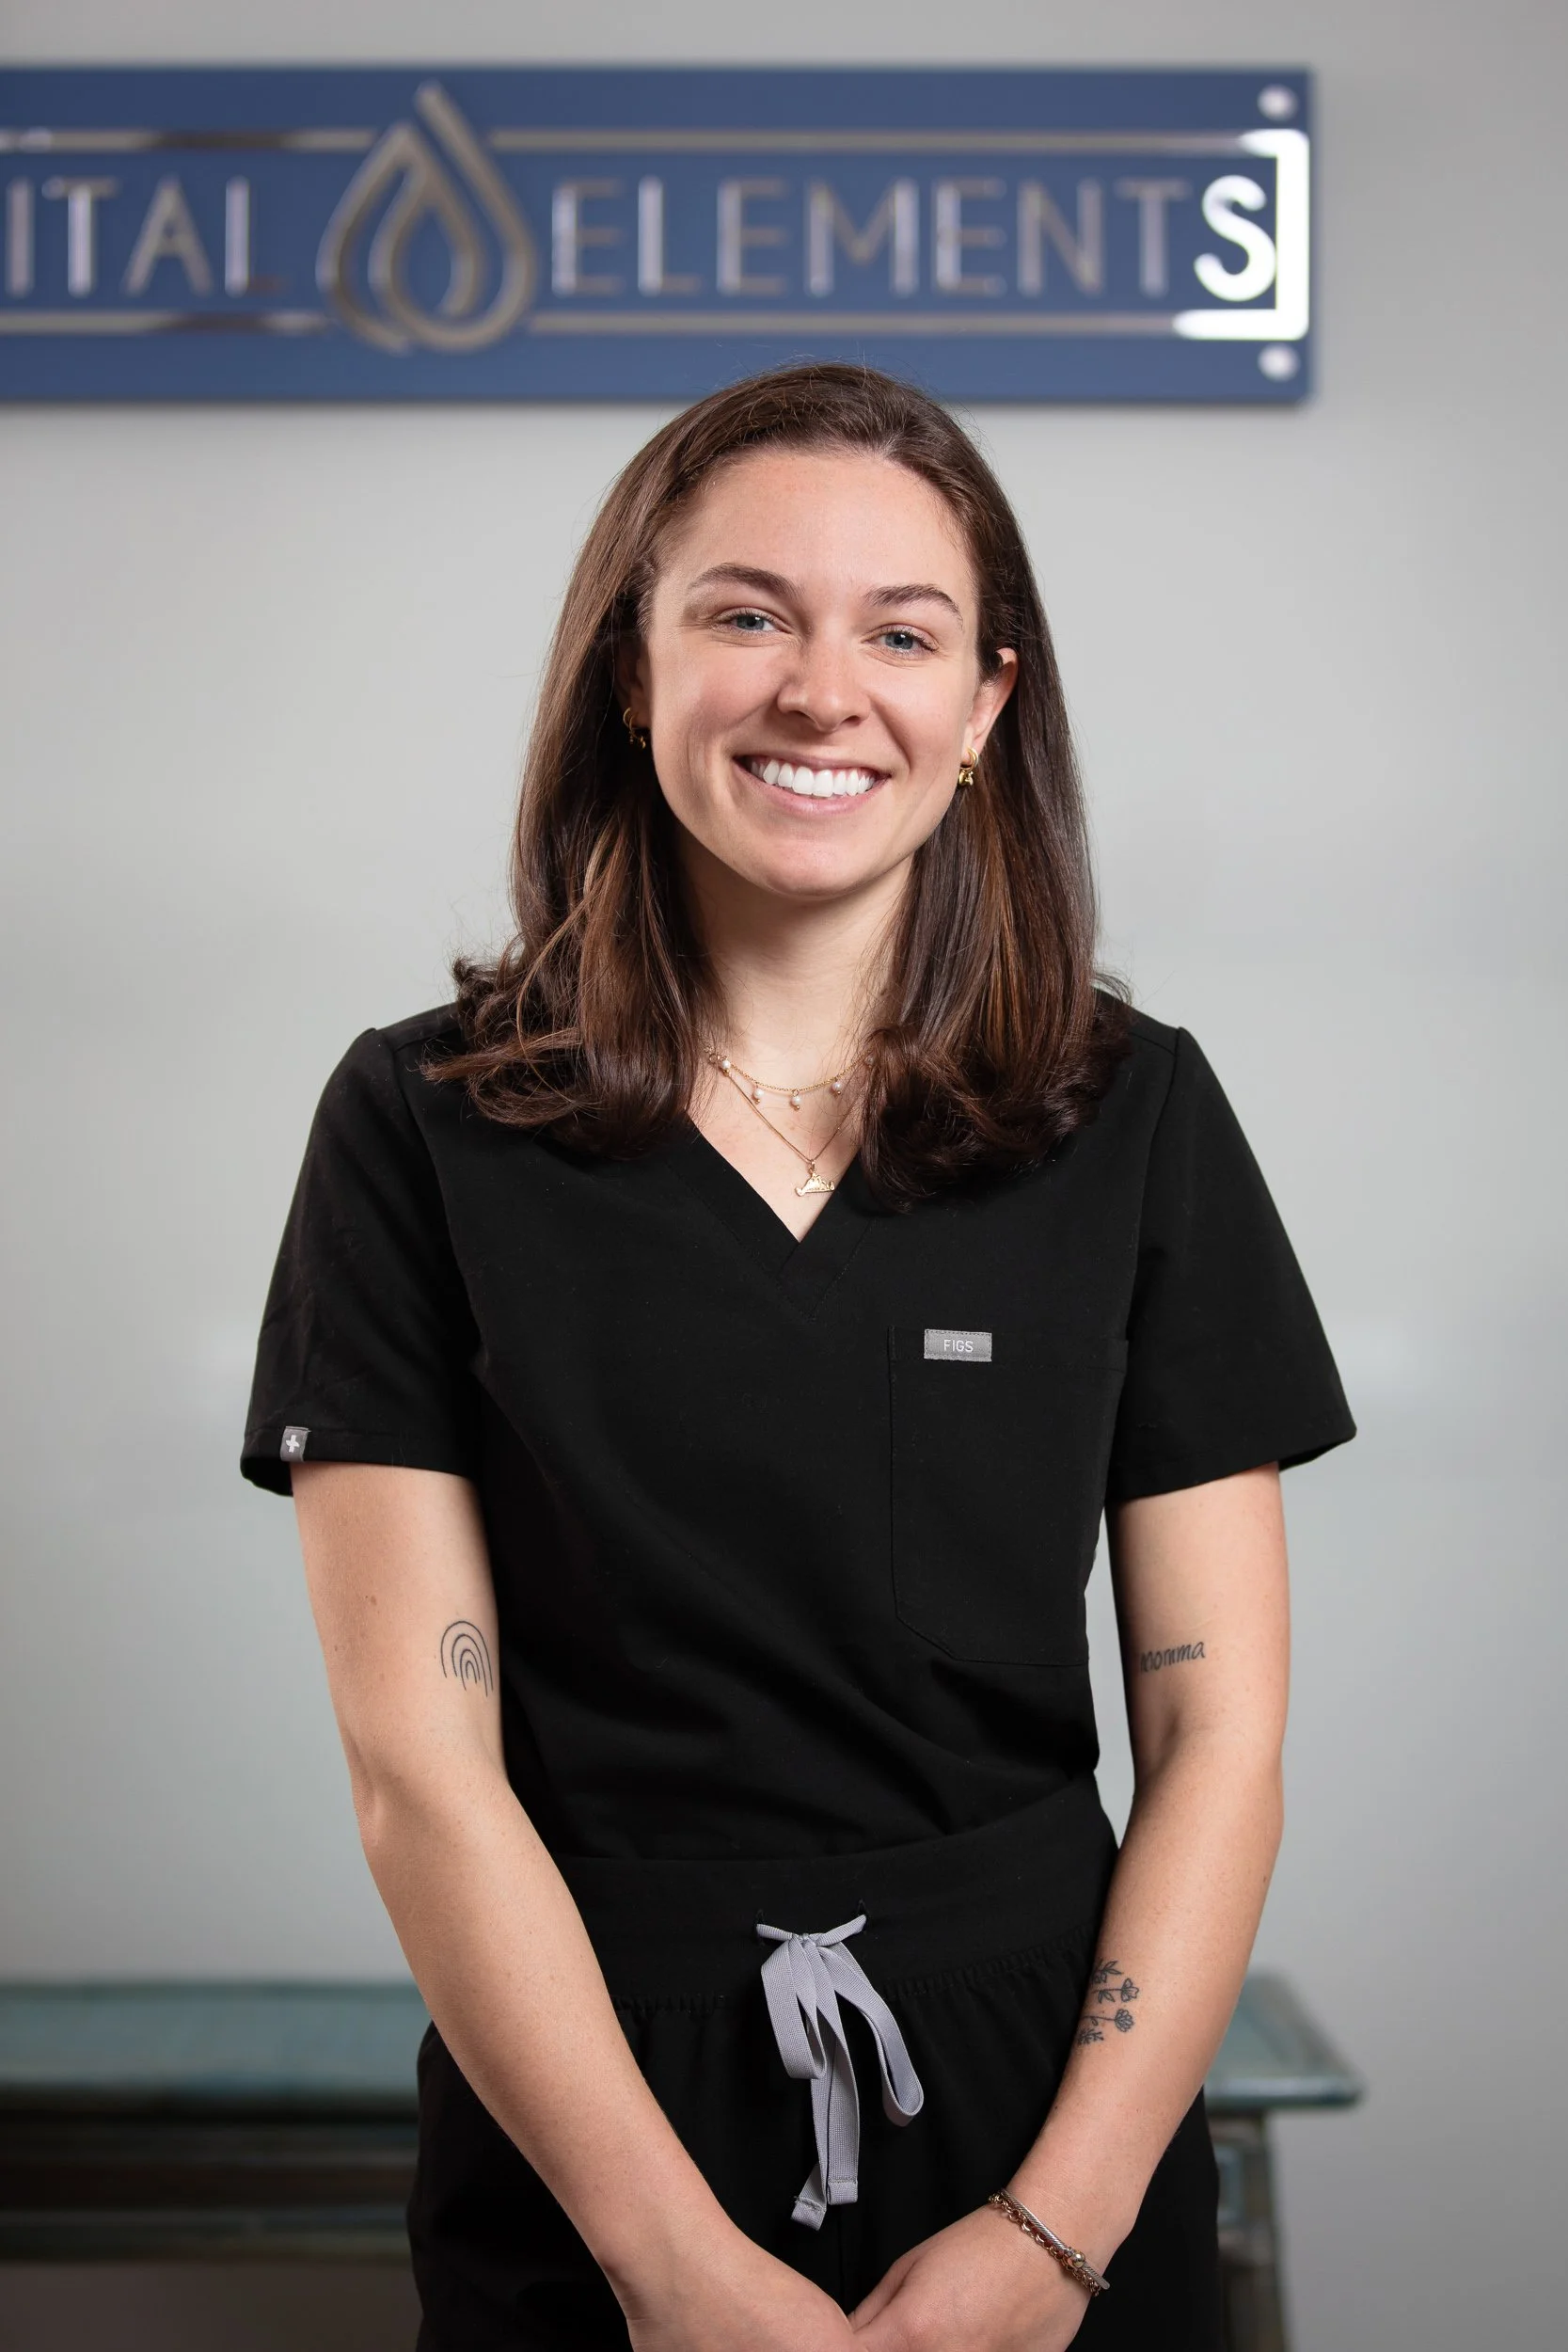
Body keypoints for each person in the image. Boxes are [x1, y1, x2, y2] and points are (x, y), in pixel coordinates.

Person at [242, 362, 1354, 2352]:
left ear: (984, 703)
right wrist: (668, 2269)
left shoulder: (1130, 1111)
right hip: (586, 2123)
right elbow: (421, 1769)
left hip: (1050, 2102)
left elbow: (1215, 1739)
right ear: (627, 666)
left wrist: (1055, 2232)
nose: (820, 690)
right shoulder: (416, 1126)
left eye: (899, 631)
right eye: (743, 611)